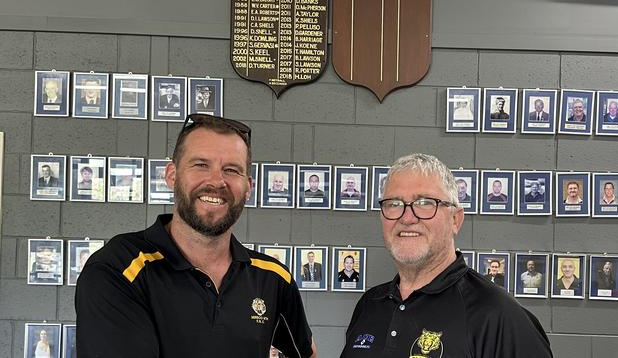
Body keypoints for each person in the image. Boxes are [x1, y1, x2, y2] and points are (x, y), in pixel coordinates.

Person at [76, 114, 316, 357]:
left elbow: (307, 352)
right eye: (201, 164)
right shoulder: (118, 268)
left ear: (248, 188)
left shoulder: (272, 279)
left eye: (231, 170)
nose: (216, 181)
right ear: (172, 175)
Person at [341, 153, 551, 357]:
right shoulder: (370, 305)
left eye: (424, 203)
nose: (406, 218)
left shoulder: (499, 317)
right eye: (394, 204)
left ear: (455, 220)